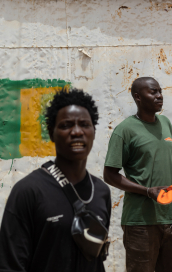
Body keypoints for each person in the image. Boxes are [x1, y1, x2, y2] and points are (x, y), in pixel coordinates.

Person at [0, 87, 111, 272]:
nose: (77, 132)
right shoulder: (28, 191)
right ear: (52, 133)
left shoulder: (100, 191)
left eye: (84, 124)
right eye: (66, 125)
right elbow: (9, 265)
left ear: (93, 131)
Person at [104, 77, 172, 272]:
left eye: (160, 91)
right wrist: (147, 191)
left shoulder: (166, 123)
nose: (159, 96)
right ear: (138, 97)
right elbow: (109, 175)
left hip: (171, 220)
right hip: (140, 224)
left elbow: (169, 163)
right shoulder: (124, 131)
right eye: (153, 92)